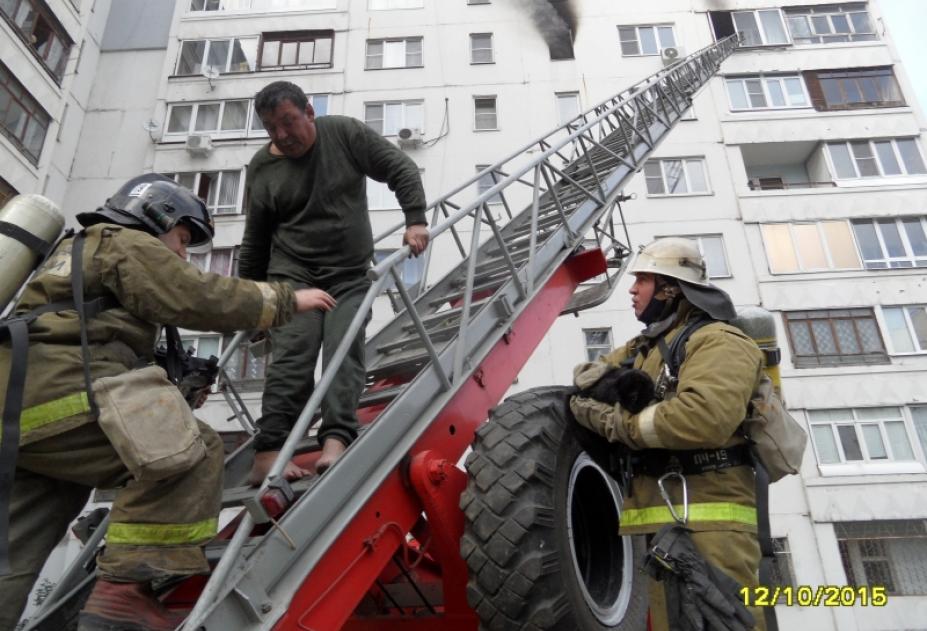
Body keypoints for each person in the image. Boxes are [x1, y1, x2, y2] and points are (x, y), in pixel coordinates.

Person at [0, 174, 334, 631]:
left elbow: (92, 326)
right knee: (190, 453)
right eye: (181, 238)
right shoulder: (121, 240)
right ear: (155, 216)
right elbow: (193, 293)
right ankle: (122, 594)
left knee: (17, 541)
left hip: (19, 411)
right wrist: (283, 299)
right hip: (60, 393)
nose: (181, 252)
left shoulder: (75, 251)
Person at [569, 237, 767, 630]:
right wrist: (600, 389)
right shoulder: (646, 348)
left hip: (710, 527)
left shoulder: (719, 342)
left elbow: (704, 417)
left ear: (670, 288)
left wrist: (615, 423)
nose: (631, 289)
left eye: (641, 279)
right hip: (661, 522)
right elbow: (585, 378)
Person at [241, 81, 429, 484]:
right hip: (292, 276)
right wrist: (255, 302)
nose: (283, 136)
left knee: (344, 350)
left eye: (289, 123)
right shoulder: (262, 168)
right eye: (272, 128)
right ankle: (268, 452)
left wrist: (415, 219)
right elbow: (254, 240)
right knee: (293, 355)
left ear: (310, 111)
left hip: (347, 274)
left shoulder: (344, 133)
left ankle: (335, 441)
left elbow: (401, 168)